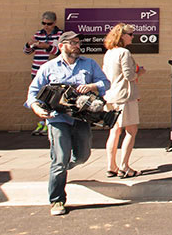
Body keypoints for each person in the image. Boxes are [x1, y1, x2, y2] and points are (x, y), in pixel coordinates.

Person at [26, 31, 109, 216]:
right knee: (60, 158)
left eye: (78, 42)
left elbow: (106, 83)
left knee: (83, 156)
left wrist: (92, 86)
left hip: (81, 118)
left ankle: (65, 164)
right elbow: (33, 92)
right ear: (62, 45)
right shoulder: (49, 67)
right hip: (57, 118)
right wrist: (36, 108)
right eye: (73, 43)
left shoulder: (89, 64)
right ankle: (57, 200)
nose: (77, 46)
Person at [102, 23, 144, 178]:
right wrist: (140, 73)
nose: (133, 37)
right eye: (131, 35)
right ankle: (124, 166)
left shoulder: (109, 53)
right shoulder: (124, 53)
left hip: (111, 95)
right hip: (125, 96)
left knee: (114, 131)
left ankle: (111, 165)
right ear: (123, 36)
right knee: (131, 131)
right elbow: (129, 75)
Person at [25, 12, 63, 135]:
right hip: (37, 70)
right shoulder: (38, 34)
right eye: (44, 23)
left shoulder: (59, 34)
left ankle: (49, 123)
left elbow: (59, 52)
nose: (46, 26)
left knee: (51, 97)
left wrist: (46, 46)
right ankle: (41, 122)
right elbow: (27, 51)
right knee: (39, 97)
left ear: (54, 23)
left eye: (49, 24)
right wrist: (29, 44)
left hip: (53, 71)